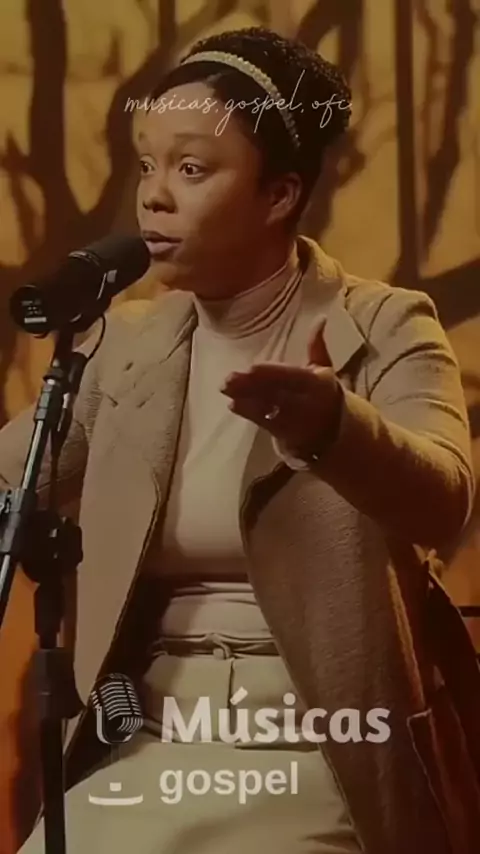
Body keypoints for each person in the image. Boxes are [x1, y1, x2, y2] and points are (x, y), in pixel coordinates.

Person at [2, 25, 480, 854]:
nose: (154, 196)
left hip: (326, 752)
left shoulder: (385, 325)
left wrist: (334, 430)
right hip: (150, 740)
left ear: (279, 194)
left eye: (191, 169)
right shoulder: (126, 346)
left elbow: (445, 502)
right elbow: (14, 477)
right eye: (146, 165)